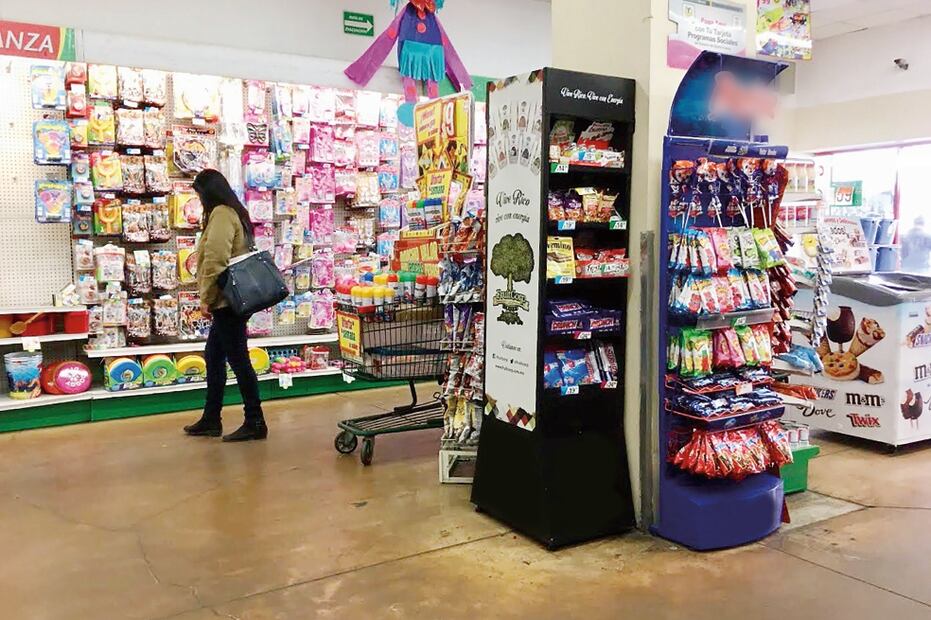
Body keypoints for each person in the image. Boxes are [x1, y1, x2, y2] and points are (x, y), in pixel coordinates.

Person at [183, 169, 267, 442]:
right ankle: (211, 418)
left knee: (238, 360)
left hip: (225, 301)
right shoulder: (234, 212)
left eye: (199, 194)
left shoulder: (220, 213)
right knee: (215, 356)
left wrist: (207, 299)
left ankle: (255, 420)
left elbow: (216, 260)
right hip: (230, 299)